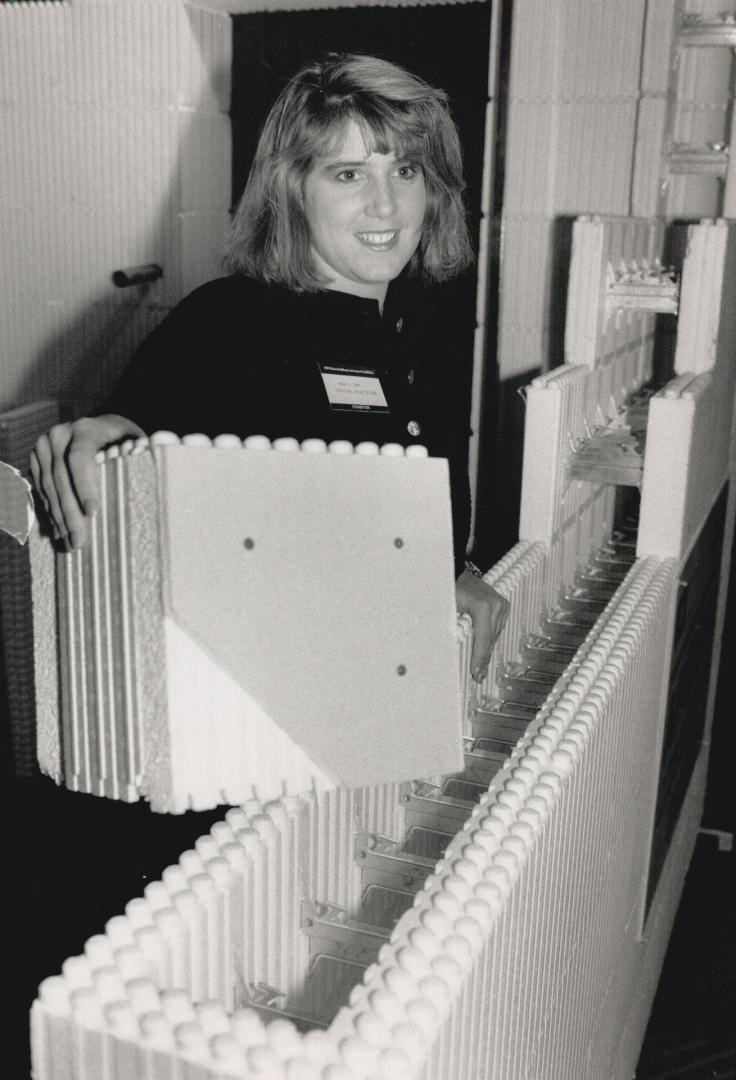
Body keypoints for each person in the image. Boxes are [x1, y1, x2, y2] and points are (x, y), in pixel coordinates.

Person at [31, 52, 508, 680]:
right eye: (348, 175)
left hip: (381, 685)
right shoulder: (231, 317)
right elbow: (139, 422)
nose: (386, 206)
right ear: (292, 190)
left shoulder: (419, 334)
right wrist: (109, 435)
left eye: (406, 170)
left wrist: (454, 572)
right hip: (266, 702)